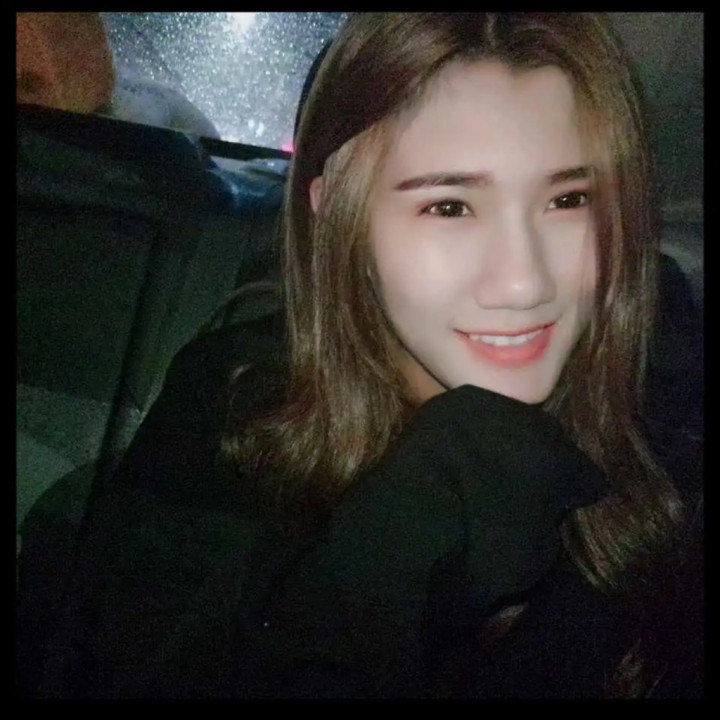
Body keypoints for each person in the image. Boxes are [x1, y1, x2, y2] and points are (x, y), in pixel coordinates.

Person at [19, 12, 702, 699]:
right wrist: (382, 567)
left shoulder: (668, 436)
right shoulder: (231, 412)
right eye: (449, 207)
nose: (524, 283)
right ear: (338, 213)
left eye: (569, 199)